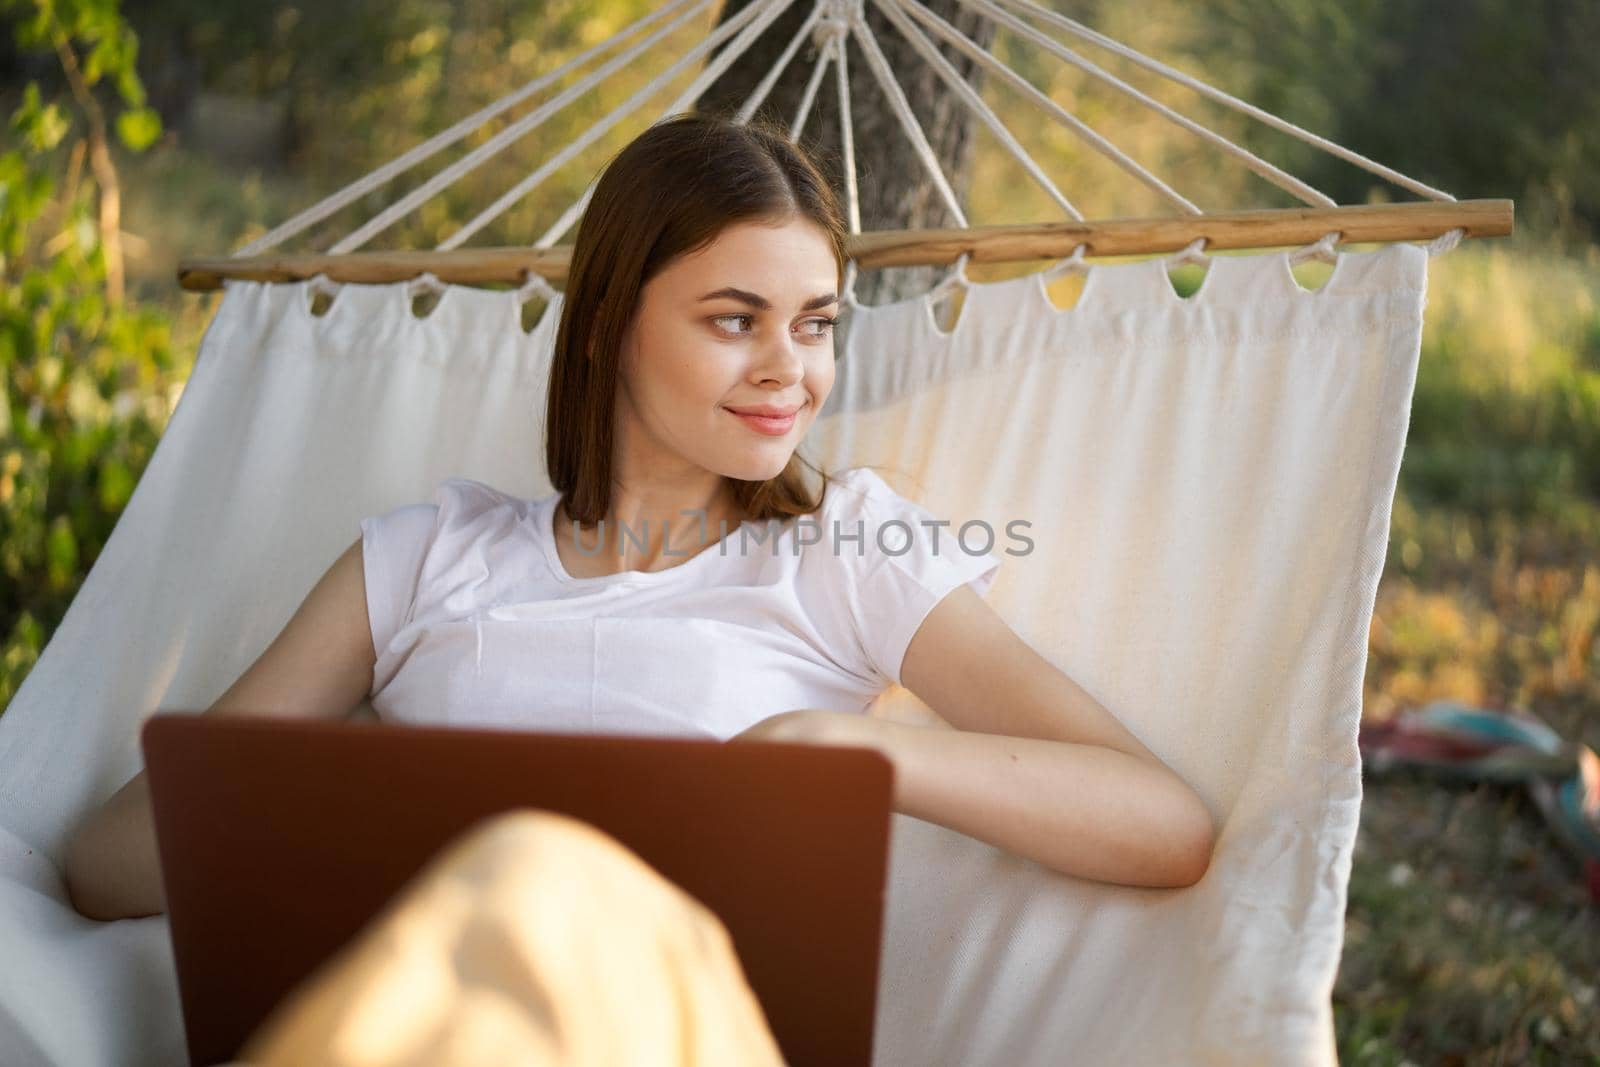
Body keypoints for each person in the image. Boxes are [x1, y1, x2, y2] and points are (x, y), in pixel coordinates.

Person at [62, 110, 1216, 1057]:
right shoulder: (423, 559)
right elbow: (104, 866)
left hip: (681, 1026)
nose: (791, 370)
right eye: (733, 320)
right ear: (611, 323)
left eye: (815, 324)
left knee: (532, 874)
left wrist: (852, 752)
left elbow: (1162, 822)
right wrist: (345, 812)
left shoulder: (847, 549)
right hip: (411, 1014)